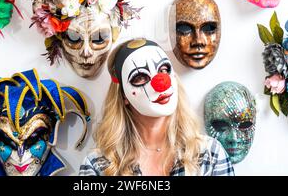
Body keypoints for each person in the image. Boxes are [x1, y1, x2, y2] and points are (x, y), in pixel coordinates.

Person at [79, 38, 234, 176]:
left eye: (164, 70)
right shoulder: (98, 165)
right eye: (140, 77)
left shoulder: (210, 154)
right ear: (124, 96)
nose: (160, 83)